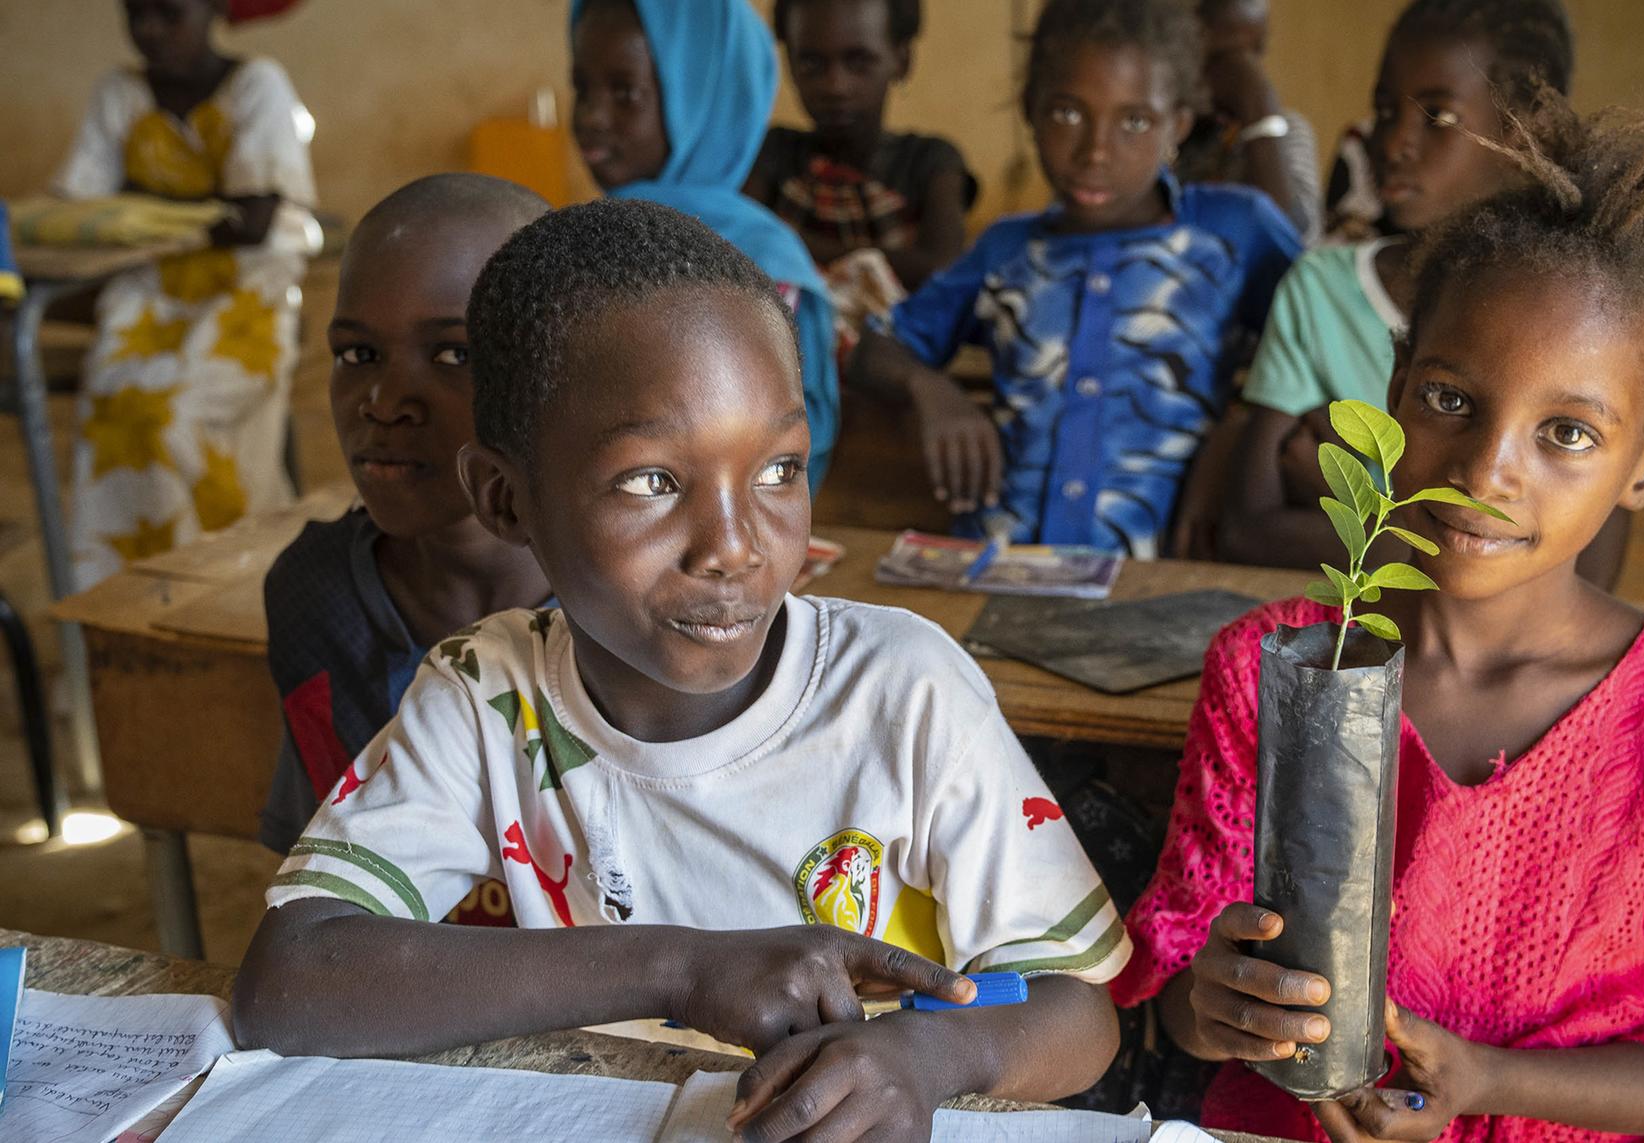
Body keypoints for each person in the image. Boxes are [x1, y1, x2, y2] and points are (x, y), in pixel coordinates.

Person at [233, 200, 1128, 1142]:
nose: (735, 548)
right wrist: (681, 968)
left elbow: (1079, 1011)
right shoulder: (489, 695)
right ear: (504, 496)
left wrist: (930, 1058)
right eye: (652, 481)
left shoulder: (903, 689)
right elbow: (289, 982)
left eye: (778, 469)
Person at [1116, 98, 1644, 1142]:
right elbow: (1183, 996)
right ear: (1394, 391)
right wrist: (1217, 1005)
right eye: (1450, 400)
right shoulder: (1275, 667)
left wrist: (1482, 1082)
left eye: (1563, 432)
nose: (1482, 471)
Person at [849, 0, 1301, 559]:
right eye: (1067, 113)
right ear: (1030, 110)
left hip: (1156, 583)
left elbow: (1318, 340)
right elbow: (875, 348)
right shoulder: (1006, 250)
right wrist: (933, 391)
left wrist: (1232, 438)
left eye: (1134, 121)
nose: (1095, 152)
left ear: (1178, 125)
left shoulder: (1235, 232)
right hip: (1001, 570)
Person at [1217, 0, 1587, 573]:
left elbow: (1585, 571)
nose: (1393, 143)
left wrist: (1358, 509)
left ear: (1525, 131)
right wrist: (1472, 544)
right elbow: (1246, 530)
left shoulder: (1576, 315)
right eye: (1386, 111)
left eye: (1437, 117)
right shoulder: (1323, 290)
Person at [258, 174, 552, 867]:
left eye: (455, 355)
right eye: (357, 355)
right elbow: (322, 891)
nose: (384, 402)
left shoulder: (629, 611)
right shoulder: (317, 598)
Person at [54, 0, 319, 587]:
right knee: (110, 415)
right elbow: (82, 213)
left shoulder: (258, 84)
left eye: (169, 14)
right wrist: (199, 212)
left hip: (246, 291)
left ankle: (219, 584)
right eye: (136, 14)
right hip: (147, 295)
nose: (149, 30)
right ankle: (135, 596)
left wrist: (139, 202)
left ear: (215, 10)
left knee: (176, 417)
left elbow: (254, 221)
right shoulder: (117, 92)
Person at [569, 0, 840, 492]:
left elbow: (785, 448)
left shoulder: (761, 259)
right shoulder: (574, 243)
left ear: (704, 101)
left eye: (624, 93)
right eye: (581, 89)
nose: (591, 116)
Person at [749, 0, 975, 292]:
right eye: (811, 63)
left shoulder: (930, 161)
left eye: (858, 62)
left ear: (902, 60)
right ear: (788, 63)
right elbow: (738, 243)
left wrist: (788, 246)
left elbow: (942, 268)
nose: (835, 86)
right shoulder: (770, 151)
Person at [1176, 0, 1323, 244]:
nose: (1246, 72)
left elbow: (1297, 245)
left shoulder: (1286, 130)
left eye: (1256, 51)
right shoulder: (1162, 130)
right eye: (1226, 58)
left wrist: (1259, 111)